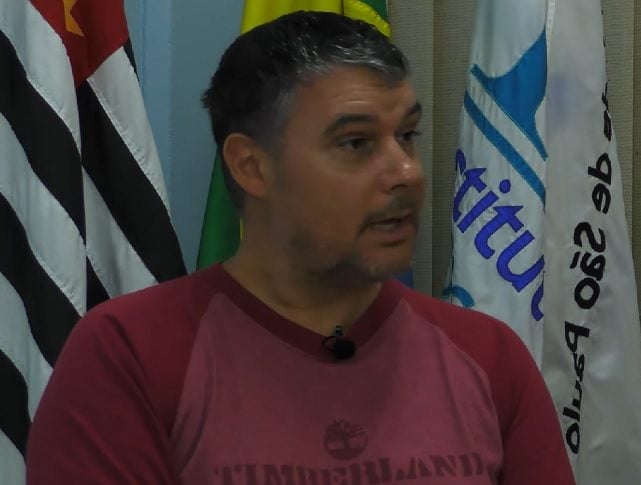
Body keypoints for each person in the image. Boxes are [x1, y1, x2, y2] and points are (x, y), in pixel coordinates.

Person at [26, 11, 575, 485]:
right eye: (356, 143)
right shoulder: (128, 356)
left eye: (407, 136)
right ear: (252, 166)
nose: (406, 172)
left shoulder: (488, 358)